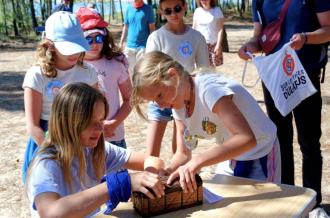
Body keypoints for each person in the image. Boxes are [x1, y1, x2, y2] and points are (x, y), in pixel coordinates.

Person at [131, 51, 281, 192]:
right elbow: (183, 153)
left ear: (173, 75)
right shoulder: (177, 103)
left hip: (260, 152)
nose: (160, 105)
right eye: (154, 101)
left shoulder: (209, 91)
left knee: (260, 207)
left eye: (159, 96)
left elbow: (246, 139)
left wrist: (197, 162)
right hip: (230, 156)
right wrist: (169, 172)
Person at [238, 0, 330, 213]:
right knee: (280, 142)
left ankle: (313, 202)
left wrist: (306, 38)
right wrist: (249, 46)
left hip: (304, 76)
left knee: (309, 143)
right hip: (274, 77)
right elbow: (260, 37)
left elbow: (328, 30)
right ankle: (288, 199)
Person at [25, 83, 165, 217]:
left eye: (101, 120)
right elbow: (50, 213)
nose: (99, 129)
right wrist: (114, 186)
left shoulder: (95, 150)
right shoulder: (46, 163)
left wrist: (149, 179)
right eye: (90, 122)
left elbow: (152, 160)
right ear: (67, 122)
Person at [21, 11, 99, 183]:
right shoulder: (37, 75)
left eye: (77, 46)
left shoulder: (89, 73)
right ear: (49, 45)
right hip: (47, 144)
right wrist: (55, 154)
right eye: (67, 48)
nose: (74, 53)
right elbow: (33, 126)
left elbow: (96, 113)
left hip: (81, 140)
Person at [145, 0, 209, 159]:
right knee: (151, 154)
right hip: (159, 98)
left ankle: (177, 180)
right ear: (160, 12)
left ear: (185, 6)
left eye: (177, 8)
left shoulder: (197, 37)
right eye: (168, 11)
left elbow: (204, 70)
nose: (173, 14)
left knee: (182, 151)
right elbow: (149, 71)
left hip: (185, 98)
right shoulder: (156, 37)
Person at [76, 7, 132, 149]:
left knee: (117, 171)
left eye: (99, 38)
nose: (95, 44)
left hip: (113, 137)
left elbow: (130, 99)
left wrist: (114, 123)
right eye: (88, 39)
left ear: (105, 37)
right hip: (81, 139)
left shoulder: (116, 62)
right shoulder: (73, 64)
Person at [119, 0, 155, 74]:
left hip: (143, 47)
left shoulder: (148, 9)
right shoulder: (128, 8)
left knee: (141, 72)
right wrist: (121, 42)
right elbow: (125, 27)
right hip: (129, 47)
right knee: (130, 71)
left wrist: (151, 45)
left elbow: (152, 29)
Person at [192, 0, 224, 67]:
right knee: (199, 69)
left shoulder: (217, 10)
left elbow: (220, 30)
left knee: (211, 71)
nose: (204, 1)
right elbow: (193, 29)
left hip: (213, 45)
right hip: (199, 45)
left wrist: (218, 45)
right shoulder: (197, 11)